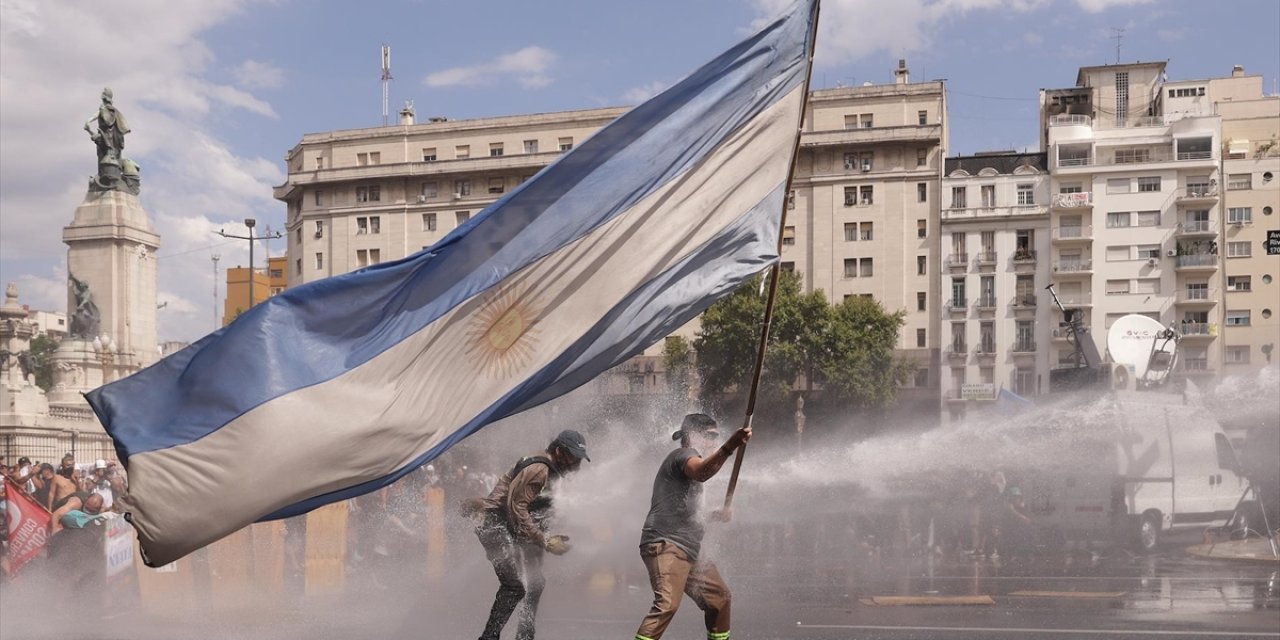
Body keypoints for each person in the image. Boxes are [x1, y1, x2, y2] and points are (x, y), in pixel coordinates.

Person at [634, 413, 751, 640]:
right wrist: (730, 446)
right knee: (666, 604)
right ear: (692, 435)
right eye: (710, 436)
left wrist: (713, 516)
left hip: (688, 550)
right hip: (666, 545)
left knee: (720, 599)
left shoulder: (688, 463)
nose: (714, 442)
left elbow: (684, 513)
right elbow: (702, 472)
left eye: (717, 437)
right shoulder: (684, 455)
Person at [470, 430, 589, 640]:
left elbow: (533, 508)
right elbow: (516, 508)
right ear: (559, 451)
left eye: (577, 458)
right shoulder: (539, 469)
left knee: (536, 582)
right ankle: (489, 637)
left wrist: (547, 534)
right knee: (514, 587)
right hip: (494, 525)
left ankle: (525, 634)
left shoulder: (550, 469)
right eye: (571, 456)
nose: (574, 463)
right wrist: (543, 539)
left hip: (510, 525)